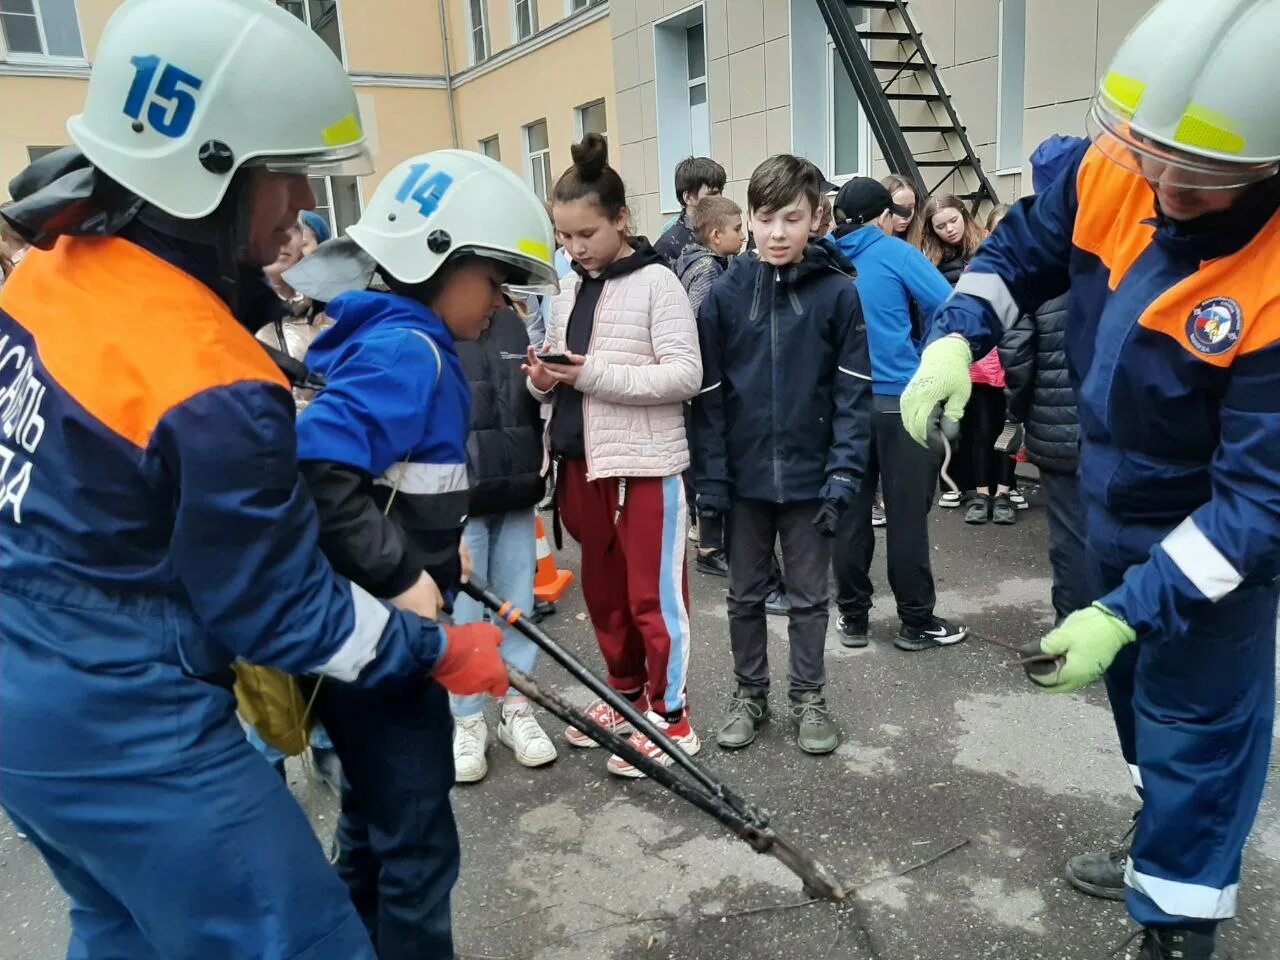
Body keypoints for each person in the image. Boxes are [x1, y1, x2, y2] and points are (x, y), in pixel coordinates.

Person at [0, 2, 508, 958]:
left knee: (124, 928)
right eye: (284, 179)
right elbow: (281, 612)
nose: (293, 215)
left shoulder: (46, 275)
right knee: (306, 943)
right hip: (122, 724)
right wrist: (436, 649)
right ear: (213, 172)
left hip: (23, 692)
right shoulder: (211, 379)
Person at [900, 1, 1280, 955]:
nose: (1161, 188)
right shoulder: (1123, 160)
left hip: (1209, 549)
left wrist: (1133, 606)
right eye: (1151, 160)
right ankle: (1152, 834)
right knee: (1136, 709)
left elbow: (1257, 506)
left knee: (1196, 740)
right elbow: (1019, 250)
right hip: (1102, 500)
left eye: (1195, 181)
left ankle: (1176, 933)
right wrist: (956, 335)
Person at [285, 149, 558, 956]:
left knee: (370, 830)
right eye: (493, 279)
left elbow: (386, 480)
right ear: (437, 261)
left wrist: (439, 553)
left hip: (360, 633)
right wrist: (406, 574)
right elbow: (318, 467)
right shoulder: (412, 350)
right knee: (416, 846)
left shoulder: (387, 337)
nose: (503, 301)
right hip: (380, 649)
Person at [527, 133, 702, 778]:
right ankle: (625, 696)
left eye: (585, 234)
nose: (574, 249)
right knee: (603, 596)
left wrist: (590, 374)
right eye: (564, 236)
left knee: (654, 598)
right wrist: (540, 379)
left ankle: (673, 718)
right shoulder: (569, 287)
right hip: (580, 465)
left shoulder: (659, 281)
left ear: (621, 219)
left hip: (645, 470)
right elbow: (555, 361)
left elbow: (686, 376)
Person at [693, 155, 872, 755]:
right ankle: (750, 694)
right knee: (743, 596)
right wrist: (710, 482)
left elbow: (854, 391)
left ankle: (808, 698)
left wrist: (845, 472)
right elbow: (710, 400)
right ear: (749, 218)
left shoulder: (839, 294)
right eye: (765, 218)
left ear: (816, 217)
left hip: (811, 478)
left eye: (791, 219)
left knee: (808, 596)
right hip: (743, 481)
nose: (776, 233)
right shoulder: (723, 295)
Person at [828, 177, 968, 652]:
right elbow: (950, 308)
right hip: (900, 400)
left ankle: (853, 618)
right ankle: (915, 621)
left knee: (849, 513)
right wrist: (925, 355)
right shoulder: (895, 253)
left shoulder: (822, 257)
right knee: (907, 516)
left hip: (841, 403)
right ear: (883, 217)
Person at [451, 303, 559, 783]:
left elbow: (530, 396)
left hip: (516, 486)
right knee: (466, 615)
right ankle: (468, 718)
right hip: (458, 493)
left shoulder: (515, 315)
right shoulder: (433, 317)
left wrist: (542, 383)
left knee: (518, 606)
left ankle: (517, 708)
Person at [997, 137, 1090, 622]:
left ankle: (1072, 631)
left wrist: (1017, 409)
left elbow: (1016, 351)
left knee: (1072, 537)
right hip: (1124, 428)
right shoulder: (1129, 243)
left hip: (1057, 428)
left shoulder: (1033, 258)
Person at [923, 195, 1016, 523]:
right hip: (962, 353)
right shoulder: (930, 260)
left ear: (965, 216)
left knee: (1003, 422)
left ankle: (1003, 486)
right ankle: (973, 487)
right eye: (940, 225)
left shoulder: (986, 249)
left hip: (1000, 350)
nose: (949, 229)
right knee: (974, 423)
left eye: (953, 220)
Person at [676, 194, 744, 580]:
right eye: (737, 229)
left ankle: (710, 540)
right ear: (716, 235)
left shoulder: (700, 262)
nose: (744, 235)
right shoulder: (709, 272)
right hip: (708, 380)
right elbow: (700, 323)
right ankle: (710, 546)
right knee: (712, 464)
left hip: (703, 379)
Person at [653, 155, 727, 267]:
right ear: (687, 198)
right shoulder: (667, 247)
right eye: (712, 194)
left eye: (720, 192)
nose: (720, 199)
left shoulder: (724, 232)